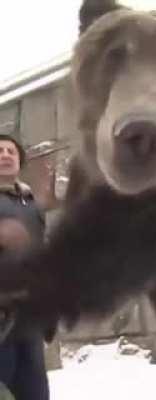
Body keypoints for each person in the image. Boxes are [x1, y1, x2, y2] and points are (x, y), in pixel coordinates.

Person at [0, 134, 50, 400]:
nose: (6, 155)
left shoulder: (30, 204)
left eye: (11, 151)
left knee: (34, 393)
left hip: (29, 318)